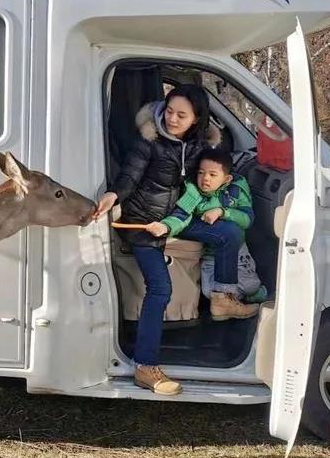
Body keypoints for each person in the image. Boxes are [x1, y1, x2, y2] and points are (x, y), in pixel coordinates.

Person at [94, 84, 215, 396]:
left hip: (174, 221)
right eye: (169, 111)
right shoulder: (149, 140)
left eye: (181, 115)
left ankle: (227, 298)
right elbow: (130, 175)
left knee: (228, 234)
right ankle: (145, 366)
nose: (172, 119)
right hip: (142, 224)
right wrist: (113, 195)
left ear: (196, 119)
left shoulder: (199, 146)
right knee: (161, 288)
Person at [144, 148, 265, 321]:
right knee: (209, 292)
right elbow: (181, 215)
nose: (205, 178)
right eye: (201, 173)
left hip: (237, 251)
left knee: (252, 286)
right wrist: (166, 226)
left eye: (212, 174)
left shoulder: (236, 188)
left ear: (227, 178)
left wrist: (222, 212)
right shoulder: (193, 190)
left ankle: (251, 295)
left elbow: (247, 219)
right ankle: (225, 299)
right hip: (210, 255)